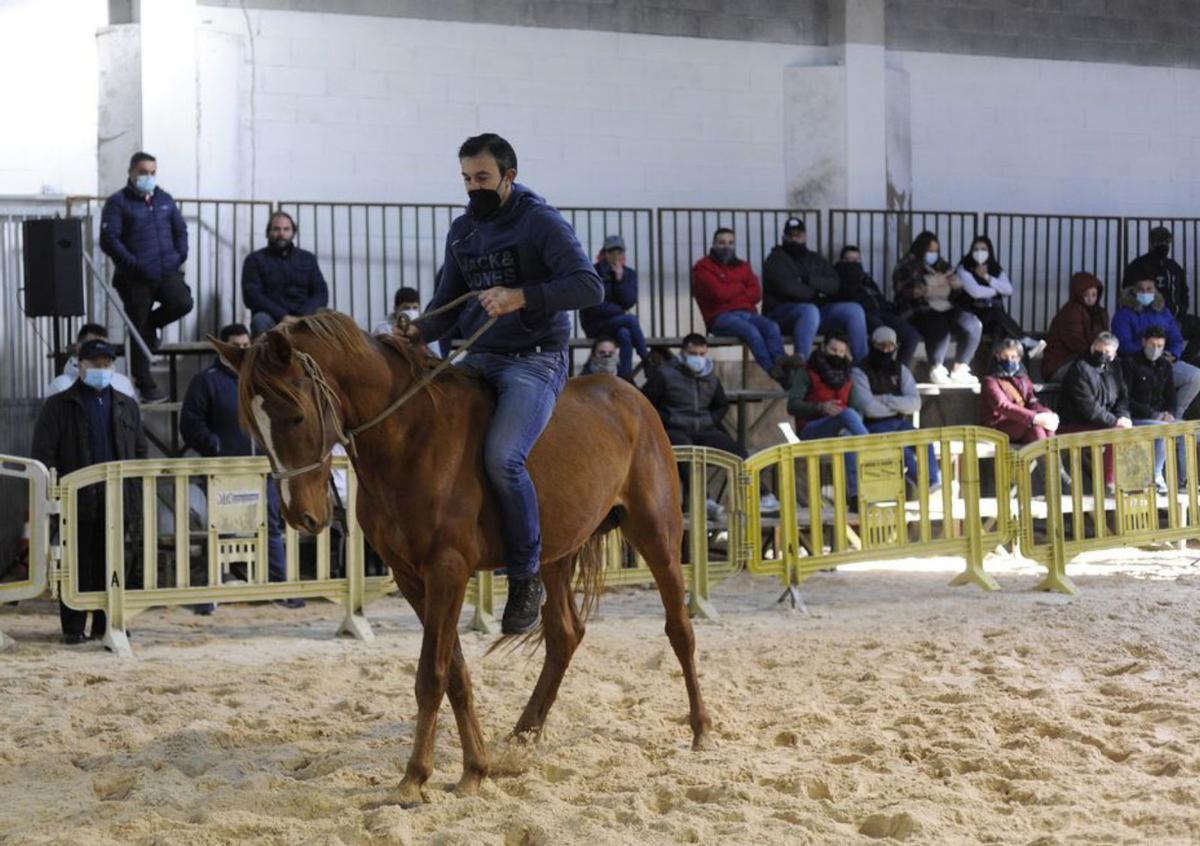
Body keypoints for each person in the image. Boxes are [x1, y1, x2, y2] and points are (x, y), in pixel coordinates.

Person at [413, 133, 603, 634]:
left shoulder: (540, 222)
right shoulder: (462, 232)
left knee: (503, 456)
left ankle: (525, 576)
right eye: (466, 179)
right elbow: (444, 307)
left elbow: (588, 286)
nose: (473, 187)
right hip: (481, 356)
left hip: (535, 360)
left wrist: (522, 296)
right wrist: (412, 332)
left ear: (508, 175)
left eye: (482, 178)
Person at [31, 339, 147, 644]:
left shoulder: (126, 405)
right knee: (78, 564)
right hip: (76, 501)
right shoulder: (59, 406)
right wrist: (55, 495)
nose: (102, 369)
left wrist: (133, 494)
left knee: (115, 564)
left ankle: (108, 624)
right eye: (95, 364)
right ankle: (73, 627)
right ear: (79, 365)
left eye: (107, 364)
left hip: (117, 500)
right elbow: (44, 452)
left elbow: (138, 451)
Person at [179, 323, 300, 612]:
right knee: (219, 528)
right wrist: (213, 444)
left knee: (270, 525)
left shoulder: (262, 378)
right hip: (223, 470)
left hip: (261, 468)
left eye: (247, 345)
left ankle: (280, 587)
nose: (243, 350)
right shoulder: (205, 381)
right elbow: (190, 422)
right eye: (237, 345)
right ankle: (210, 594)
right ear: (223, 347)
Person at [642, 333, 780, 514]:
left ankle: (761, 495)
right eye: (693, 353)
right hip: (675, 429)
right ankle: (702, 499)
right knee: (688, 454)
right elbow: (646, 404)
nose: (698, 358)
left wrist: (711, 420)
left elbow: (721, 405)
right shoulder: (665, 375)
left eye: (702, 354)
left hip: (704, 428)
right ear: (683, 352)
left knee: (736, 451)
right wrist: (667, 419)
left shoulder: (710, 377)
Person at [99, 151, 194, 402]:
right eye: (143, 172)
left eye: (152, 173)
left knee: (182, 302)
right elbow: (109, 240)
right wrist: (135, 264)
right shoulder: (118, 202)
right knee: (138, 325)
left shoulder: (165, 200)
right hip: (134, 277)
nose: (148, 177)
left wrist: (178, 255)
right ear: (131, 172)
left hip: (166, 271)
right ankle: (145, 383)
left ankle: (152, 326)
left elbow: (181, 231)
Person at [691, 228, 789, 383]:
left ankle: (781, 363)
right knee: (751, 332)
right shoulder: (703, 267)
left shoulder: (743, 265)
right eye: (721, 242)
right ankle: (773, 371)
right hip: (720, 317)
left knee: (771, 327)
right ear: (714, 244)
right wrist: (741, 289)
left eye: (731, 243)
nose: (726, 246)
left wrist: (729, 289)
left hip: (747, 313)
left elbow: (756, 293)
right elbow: (718, 294)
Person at [763, 218, 868, 361]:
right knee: (809, 310)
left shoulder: (815, 258)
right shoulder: (774, 259)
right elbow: (788, 288)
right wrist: (817, 291)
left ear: (805, 237)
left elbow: (834, 284)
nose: (794, 239)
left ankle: (863, 366)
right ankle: (801, 364)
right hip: (782, 315)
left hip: (816, 313)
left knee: (854, 310)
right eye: (790, 236)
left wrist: (808, 280)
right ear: (783, 237)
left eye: (798, 235)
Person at [850, 326, 940, 491]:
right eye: (881, 346)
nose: (886, 350)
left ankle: (934, 482)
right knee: (902, 450)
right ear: (873, 345)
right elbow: (869, 408)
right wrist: (899, 406)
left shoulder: (900, 370)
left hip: (899, 424)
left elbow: (915, 403)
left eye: (890, 346)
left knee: (924, 439)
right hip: (873, 427)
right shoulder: (859, 371)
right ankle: (923, 483)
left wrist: (885, 399)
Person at [786, 331, 869, 504]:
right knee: (846, 413)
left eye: (841, 352)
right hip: (810, 430)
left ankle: (855, 496)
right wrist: (820, 407)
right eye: (833, 350)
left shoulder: (847, 375)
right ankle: (873, 447)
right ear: (824, 348)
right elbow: (792, 405)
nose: (837, 354)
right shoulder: (807, 372)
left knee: (848, 437)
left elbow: (857, 408)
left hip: (840, 430)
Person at [892, 231, 981, 385]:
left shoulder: (941, 264)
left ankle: (960, 368)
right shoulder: (906, 265)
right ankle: (936, 367)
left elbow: (955, 287)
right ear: (921, 250)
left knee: (973, 324)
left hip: (945, 306)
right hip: (917, 309)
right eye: (930, 251)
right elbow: (906, 290)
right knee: (939, 326)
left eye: (936, 251)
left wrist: (956, 285)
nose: (933, 255)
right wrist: (930, 284)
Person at [1111, 277, 1200, 420]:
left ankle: (1175, 416)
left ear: (1155, 291)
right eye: (1141, 289)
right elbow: (1123, 344)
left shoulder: (1163, 312)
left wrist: (1172, 354)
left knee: (1195, 376)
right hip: (1136, 366)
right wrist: (1147, 351)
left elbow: (1177, 339)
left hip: (1164, 362)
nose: (1145, 292)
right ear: (1133, 291)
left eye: (1149, 289)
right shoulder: (1123, 315)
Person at [1058, 332, 1131, 490]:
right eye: (1099, 351)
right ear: (1092, 348)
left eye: (1107, 353)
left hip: (1103, 422)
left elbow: (1122, 398)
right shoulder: (1079, 369)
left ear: (1114, 354)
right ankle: (1110, 484)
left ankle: (1134, 484)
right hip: (1075, 423)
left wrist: (1123, 416)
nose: (1102, 355)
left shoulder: (1115, 368)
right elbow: (1089, 408)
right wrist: (1115, 421)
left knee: (1135, 431)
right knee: (1116, 433)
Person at [833, 245, 922, 370]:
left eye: (857, 260)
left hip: (881, 312)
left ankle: (900, 373)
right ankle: (881, 373)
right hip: (863, 315)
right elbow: (846, 297)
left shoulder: (866, 279)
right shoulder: (837, 277)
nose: (854, 264)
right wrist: (851, 276)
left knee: (912, 334)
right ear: (842, 261)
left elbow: (878, 298)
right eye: (850, 260)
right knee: (884, 333)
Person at [242, 211, 329, 337]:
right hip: (272, 318)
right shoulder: (254, 260)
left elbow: (321, 292)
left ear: (293, 233)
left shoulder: (307, 258)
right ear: (268, 233)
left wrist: (303, 317)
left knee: (332, 320)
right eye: (276, 229)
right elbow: (252, 296)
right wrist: (283, 316)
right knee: (260, 321)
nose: (281, 233)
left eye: (286, 229)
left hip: (306, 318)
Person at [954, 236, 1044, 357]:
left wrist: (987, 277)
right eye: (976, 249)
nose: (979, 252)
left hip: (992, 319)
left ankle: (994, 370)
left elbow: (1008, 289)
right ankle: (1025, 341)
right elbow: (975, 291)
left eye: (983, 249)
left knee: (1000, 330)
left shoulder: (995, 268)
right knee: (995, 313)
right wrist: (997, 290)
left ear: (989, 251)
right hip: (972, 315)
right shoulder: (964, 267)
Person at [1121, 326, 1184, 494]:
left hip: (1161, 416)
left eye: (1160, 346)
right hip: (1137, 417)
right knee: (1161, 430)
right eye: (1152, 345)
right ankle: (1156, 476)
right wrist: (1153, 414)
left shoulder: (1165, 365)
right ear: (1143, 342)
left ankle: (1185, 480)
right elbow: (1126, 398)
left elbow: (1171, 395)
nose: (1155, 350)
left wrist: (1170, 413)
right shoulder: (1130, 363)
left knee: (1187, 430)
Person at [1122, 226, 1200, 356]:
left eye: (1166, 242)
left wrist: (1181, 308)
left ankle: (1183, 360)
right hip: (1147, 318)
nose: (1163, 245)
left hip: (1175, 318)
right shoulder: (1139, 265)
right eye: (1160, 242)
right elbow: (1128, 290)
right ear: (1151, 243)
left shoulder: (1173, 267)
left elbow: (1184, 291)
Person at [580, 234, 648, 379]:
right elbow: (594, 306)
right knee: (630, 320)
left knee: (625, 334)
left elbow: (629, 301)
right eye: (611, 252)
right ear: (604, 253)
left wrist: (619, 280)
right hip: (595, 324)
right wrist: (620, 311)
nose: (616, 256)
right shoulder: (593, 272)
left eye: (620, 252)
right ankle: (647, 361)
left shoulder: (628, 274)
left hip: (617, 325)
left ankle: (625, 378)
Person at [981, 337, 1059, 445]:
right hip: (998, 426)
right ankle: (1050, 460)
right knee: (1036, 424)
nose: (1009, 360)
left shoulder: (1023, 378)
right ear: (998, 357)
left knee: (1040, 428)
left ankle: (1053, 460)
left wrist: (1047, 414)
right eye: (1005, 356)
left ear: (1019, 358)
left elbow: (1032, 402)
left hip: (1022, 424)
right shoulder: (990, 381)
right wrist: (1034, 417)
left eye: (1013, 357)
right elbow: (1003, 405)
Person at [1042, 272, 1109, 382]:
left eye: (1094, 295)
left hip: (1084, 361)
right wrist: (1098, 354)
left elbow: (1105, 337)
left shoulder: (1100, 314)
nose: (1090, 299)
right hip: (1061, 365)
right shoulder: (1071, 312)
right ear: (1078, 294)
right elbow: (1077, 343)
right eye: (1086, 295)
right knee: (1092, 374)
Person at [46, 323, 136, 399]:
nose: (99, 350)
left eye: (104, 346)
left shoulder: (123, 384)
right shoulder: (61, 386)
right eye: (92, 346)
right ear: (79, 348)